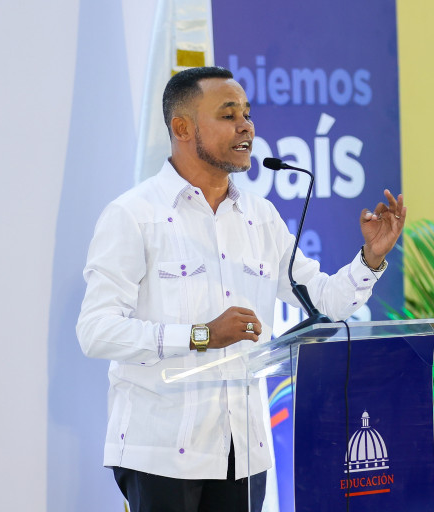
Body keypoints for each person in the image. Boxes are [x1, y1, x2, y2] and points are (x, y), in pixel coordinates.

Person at [76, 66, 406, 512]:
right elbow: (96, 331)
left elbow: (325, 301)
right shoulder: (133, 215)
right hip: (161, 450)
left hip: (243, 451)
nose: (246, 126)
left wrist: (370, 258)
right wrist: (201, 335)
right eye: (228, 115)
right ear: (182, 128)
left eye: (247, 114)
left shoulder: (260, 217)